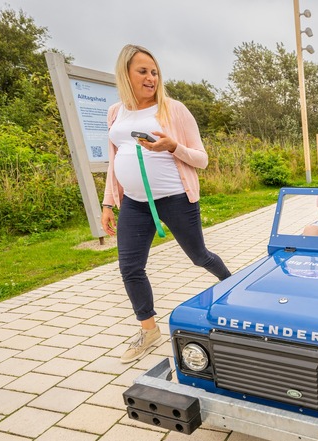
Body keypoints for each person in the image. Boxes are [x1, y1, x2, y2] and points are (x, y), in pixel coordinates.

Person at [101, 44, 232, 363]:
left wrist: (173, 147)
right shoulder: (116, 113)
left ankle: (234, 288)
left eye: (154, 71)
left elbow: (201, 159)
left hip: (175, 199)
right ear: (125, 74)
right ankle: (148, 330)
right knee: (130, 267)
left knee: (199, 256)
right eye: (142, 71)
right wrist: (107, 203)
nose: (150, 77)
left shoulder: (174, 110)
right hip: (134, 202)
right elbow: (114, 159)